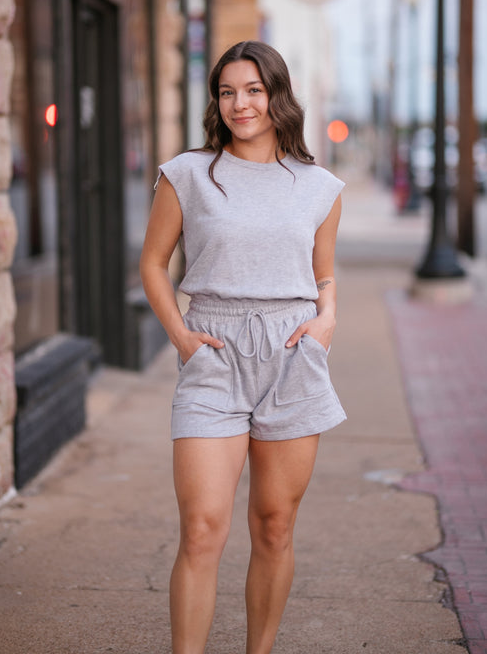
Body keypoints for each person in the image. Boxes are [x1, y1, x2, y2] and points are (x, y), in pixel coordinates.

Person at [140, 40, 346, 654]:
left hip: (291, 353)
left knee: (274, 526)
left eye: (253, 90)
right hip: (214, 354)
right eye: (227, 91)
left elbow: (324, 273)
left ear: (277, 95)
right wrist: (181, 336)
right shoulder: (187, 174)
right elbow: (152, 264)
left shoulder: (319, 186)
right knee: (202, 530)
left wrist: (327, 316)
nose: (240, 104)